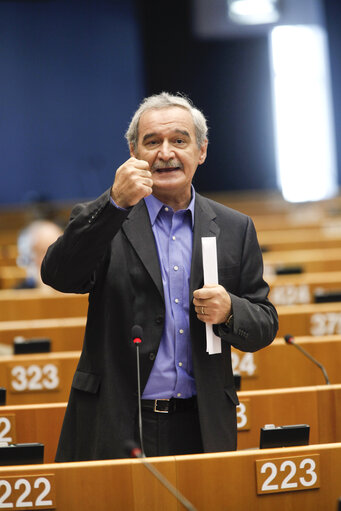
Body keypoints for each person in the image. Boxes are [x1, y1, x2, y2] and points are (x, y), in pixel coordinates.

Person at [41, 92, 278, 462]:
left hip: (202, 424)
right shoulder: (106, 218)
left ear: (201, 150)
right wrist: (115, 203)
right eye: (152, 142)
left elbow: (264, 323)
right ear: (133, 152)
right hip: (117, 421)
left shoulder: (234, 228)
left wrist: (231, 309)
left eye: (179, 140)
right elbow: (59, 275)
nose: (165, 153)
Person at [15, 220, 63, 289]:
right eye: (44, 252)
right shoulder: (20, 292)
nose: (53, 259)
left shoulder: (77, 286)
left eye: (57, 252)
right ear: (34, 257)